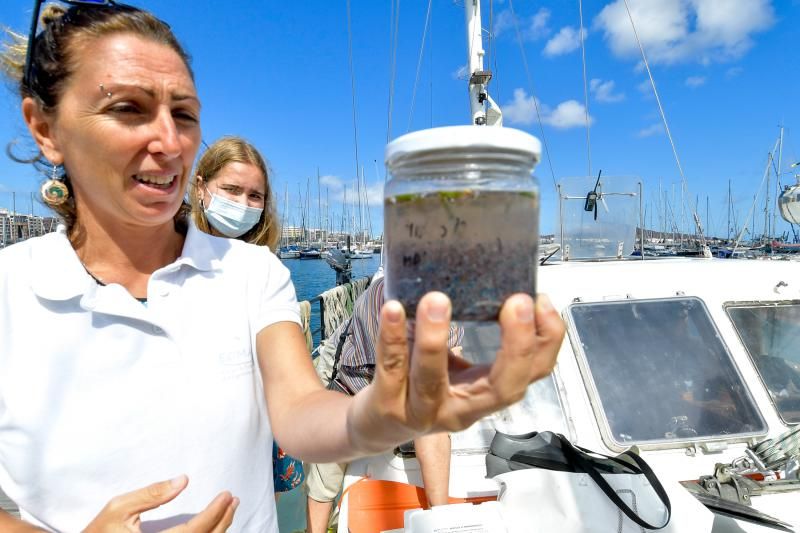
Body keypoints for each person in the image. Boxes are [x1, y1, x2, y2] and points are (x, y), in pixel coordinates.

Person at [0, 2, 564, 532]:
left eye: (185, 114)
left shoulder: (252, 273)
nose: (170, 141)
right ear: (45, 129)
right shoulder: (10, 290)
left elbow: (297, 407)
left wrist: (381, 416)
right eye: (128, 108)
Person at [189, 135, 304, 501]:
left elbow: (290, 375)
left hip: (261, 428)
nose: (242, 204)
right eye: (232, 190)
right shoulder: (166, 257)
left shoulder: (266, 267)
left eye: (255, 196)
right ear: (201, 187)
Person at [306, 275, 462, 532]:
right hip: (347, 378)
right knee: (326, 467)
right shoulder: (381, 301)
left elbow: (453, 351)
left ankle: (440, 520)